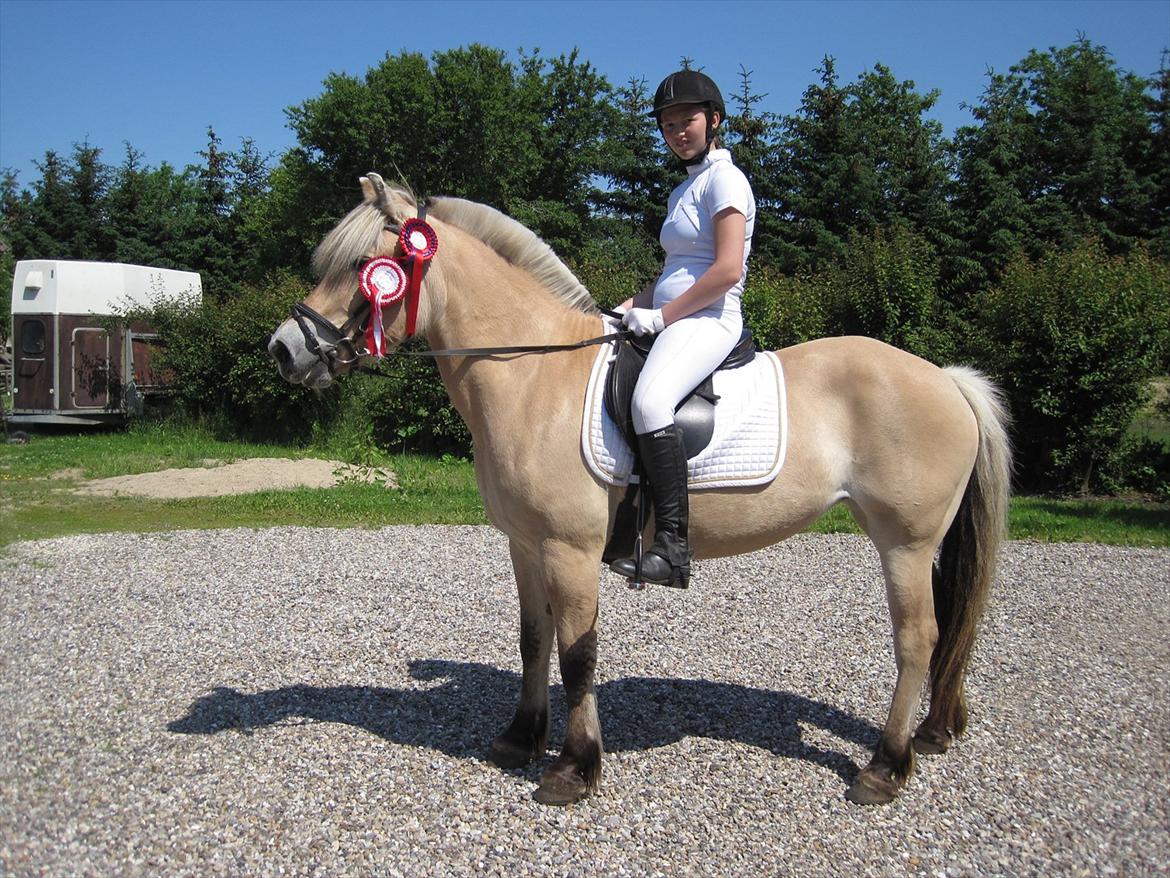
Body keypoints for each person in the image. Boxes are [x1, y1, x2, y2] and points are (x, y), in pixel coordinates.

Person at [610, 69, 757, 589]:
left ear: (714, 119)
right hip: (677, 315)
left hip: (708, 318)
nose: (677, 132)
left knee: (650, 403)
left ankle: (672, 547)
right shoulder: (685, 188)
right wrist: (624, 308)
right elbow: (673, 275)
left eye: (686, 121)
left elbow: (726, 270)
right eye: (668, 124)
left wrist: (663, 316)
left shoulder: (726, 180)